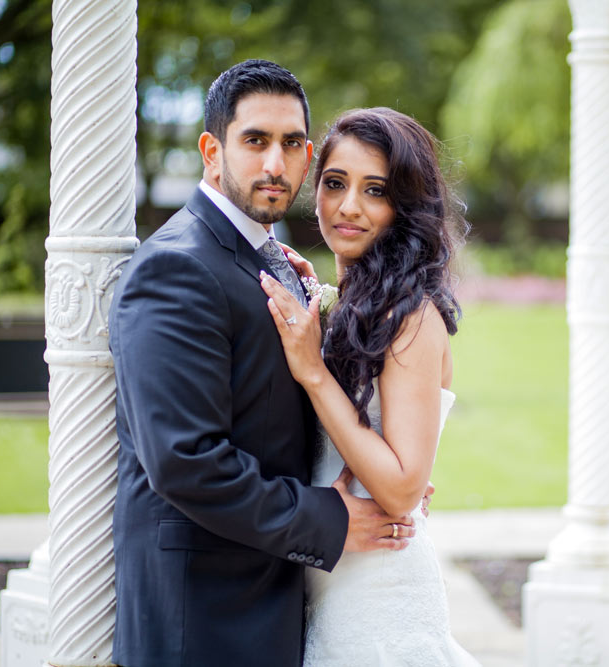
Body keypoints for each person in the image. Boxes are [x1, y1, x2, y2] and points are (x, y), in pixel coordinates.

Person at [108, 60, 422, 667]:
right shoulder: (176, 268)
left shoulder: (271, 256)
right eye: (255, 141)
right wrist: (331, 519)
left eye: (292, 143)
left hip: (265, 601)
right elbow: (185, 461)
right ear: (212, 150)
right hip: (201, 618)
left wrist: (378, 465)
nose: (276, 164)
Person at [260, 107, 478, 665]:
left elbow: (403, 488)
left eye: (374, 190)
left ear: (403, 205)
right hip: (327, 584)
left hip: (380, 599)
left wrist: (312, 370)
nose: (349, 207)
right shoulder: (345, 306)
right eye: (335, 184)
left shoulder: (411, 317)